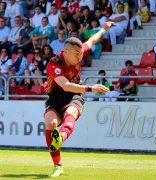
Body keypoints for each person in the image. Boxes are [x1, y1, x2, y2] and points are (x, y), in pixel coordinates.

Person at [44, 21, 113, 177]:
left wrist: (103, 29)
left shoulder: (78, 51)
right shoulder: (54, 64)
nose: (80, 57)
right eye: (77, 55)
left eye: (81, 53)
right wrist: (91, 88)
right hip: (56, 96)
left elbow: (92, 41)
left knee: (71, 113)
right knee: (51, 122)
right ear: (66, 52)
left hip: (74, 95)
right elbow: (66, 85)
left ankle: (60, 138)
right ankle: (58, 166)